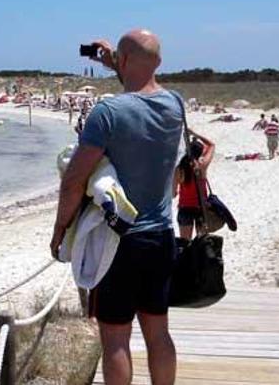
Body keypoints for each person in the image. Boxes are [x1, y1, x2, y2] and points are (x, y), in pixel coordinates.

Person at [50, 29, 180, 385]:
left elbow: (74, 179)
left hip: (118, 242)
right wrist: (120, 64)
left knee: (116, 340)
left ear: (121, 61)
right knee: (158, 334)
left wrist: (61, 229)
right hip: (161, 237)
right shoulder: (175, 104)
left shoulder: (106, 112)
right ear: (160, 62)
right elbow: (144, 87)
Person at [174, 130, 214, 240]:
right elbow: (211, 144)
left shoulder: (179, 169)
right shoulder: (202, 165)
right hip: (201, 207)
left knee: (185, 244)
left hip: (184, 208)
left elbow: (173, 194)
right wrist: (194, 133)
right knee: (202, 243)